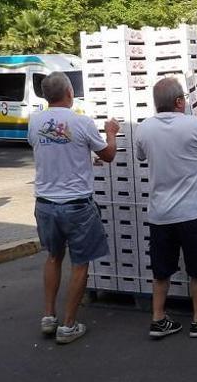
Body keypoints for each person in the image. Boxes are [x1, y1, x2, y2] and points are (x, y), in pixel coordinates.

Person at [28, 72, 118, 345]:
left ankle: (48, 316)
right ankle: (68, 325)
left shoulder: (34, 122)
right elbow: (109, 155)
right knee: (80, 264)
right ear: (69, 92)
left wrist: (82, 161)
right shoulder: (81, 122)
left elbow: (53, 154)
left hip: (44, 203)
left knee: (53, 257)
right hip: (77, 205)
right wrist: (111, 133)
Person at [135, 77, 197, 339]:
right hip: (194, 213)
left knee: (161, 271)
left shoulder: (144, 129)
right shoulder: (194, 125)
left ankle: (158, 319)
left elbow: (140, 156)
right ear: (179, 101)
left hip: (160, 215)